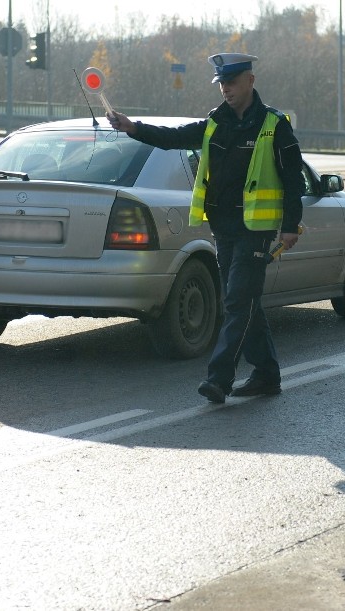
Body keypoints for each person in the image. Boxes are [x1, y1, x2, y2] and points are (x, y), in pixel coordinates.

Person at [107, 52, 303, 404]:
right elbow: (174, 138)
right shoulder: (216, 122)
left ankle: (219, 379)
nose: (226, 89)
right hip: (223, 229)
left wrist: (290, 225)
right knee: (245, 302)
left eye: (231, 82)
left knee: (237, 303)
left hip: (255, 231)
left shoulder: (274, 124)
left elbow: (293, 179)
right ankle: (267, 374)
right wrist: (132, 127)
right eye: (222, 83)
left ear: (250, 81)